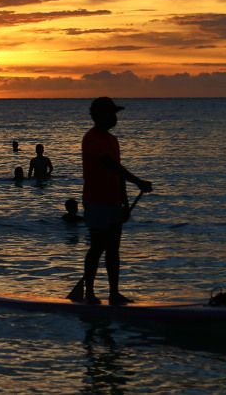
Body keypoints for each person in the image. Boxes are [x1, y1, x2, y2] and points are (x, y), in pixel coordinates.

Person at [74, 97, 152, 306]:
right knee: (98, 246)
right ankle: (89, 293)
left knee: (113, 249)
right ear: (98, 116)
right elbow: (110, 165)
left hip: (113, 201)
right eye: (111, 113)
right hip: (96, 201)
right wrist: (138, 181)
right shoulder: (91, 139)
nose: (114, 117)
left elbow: (117, 174)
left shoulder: (112, 140)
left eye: (115, 113)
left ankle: (114, 293)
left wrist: (124, 202)